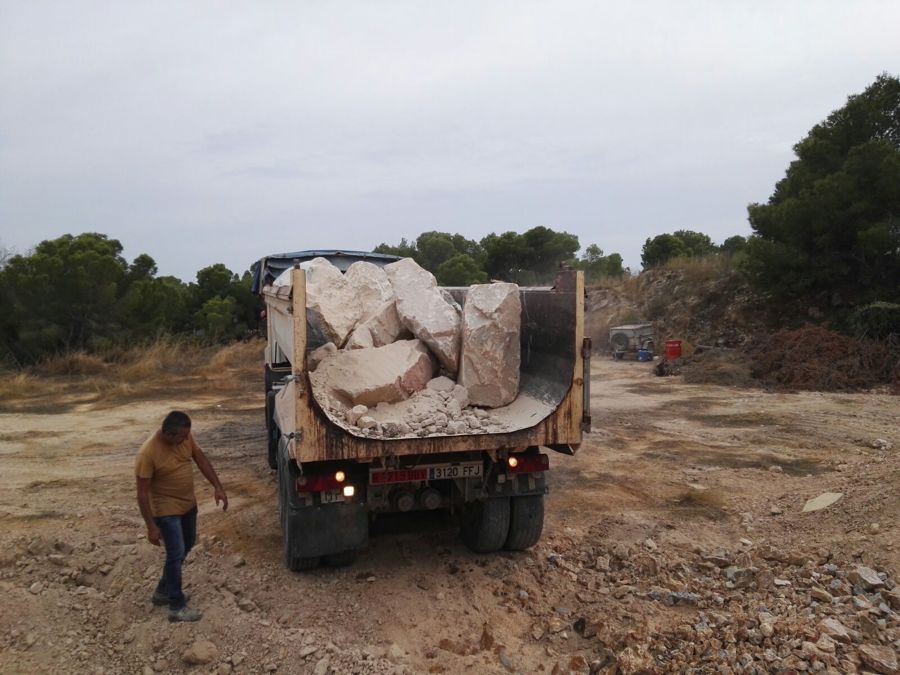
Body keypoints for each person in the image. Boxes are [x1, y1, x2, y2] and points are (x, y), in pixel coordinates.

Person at [135, 410, 227, 622]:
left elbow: (201, 459)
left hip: (188, 505)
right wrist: (151, 526)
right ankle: (176, 606)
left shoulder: (185, 437)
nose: (186, 440)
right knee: (175, 554)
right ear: (168, 434)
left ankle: (162, 592)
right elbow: (141, 494)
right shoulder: (147, 454)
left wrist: (218, 487)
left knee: (186, 546)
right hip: (166, 511)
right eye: (182, 437)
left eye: (187, 436)